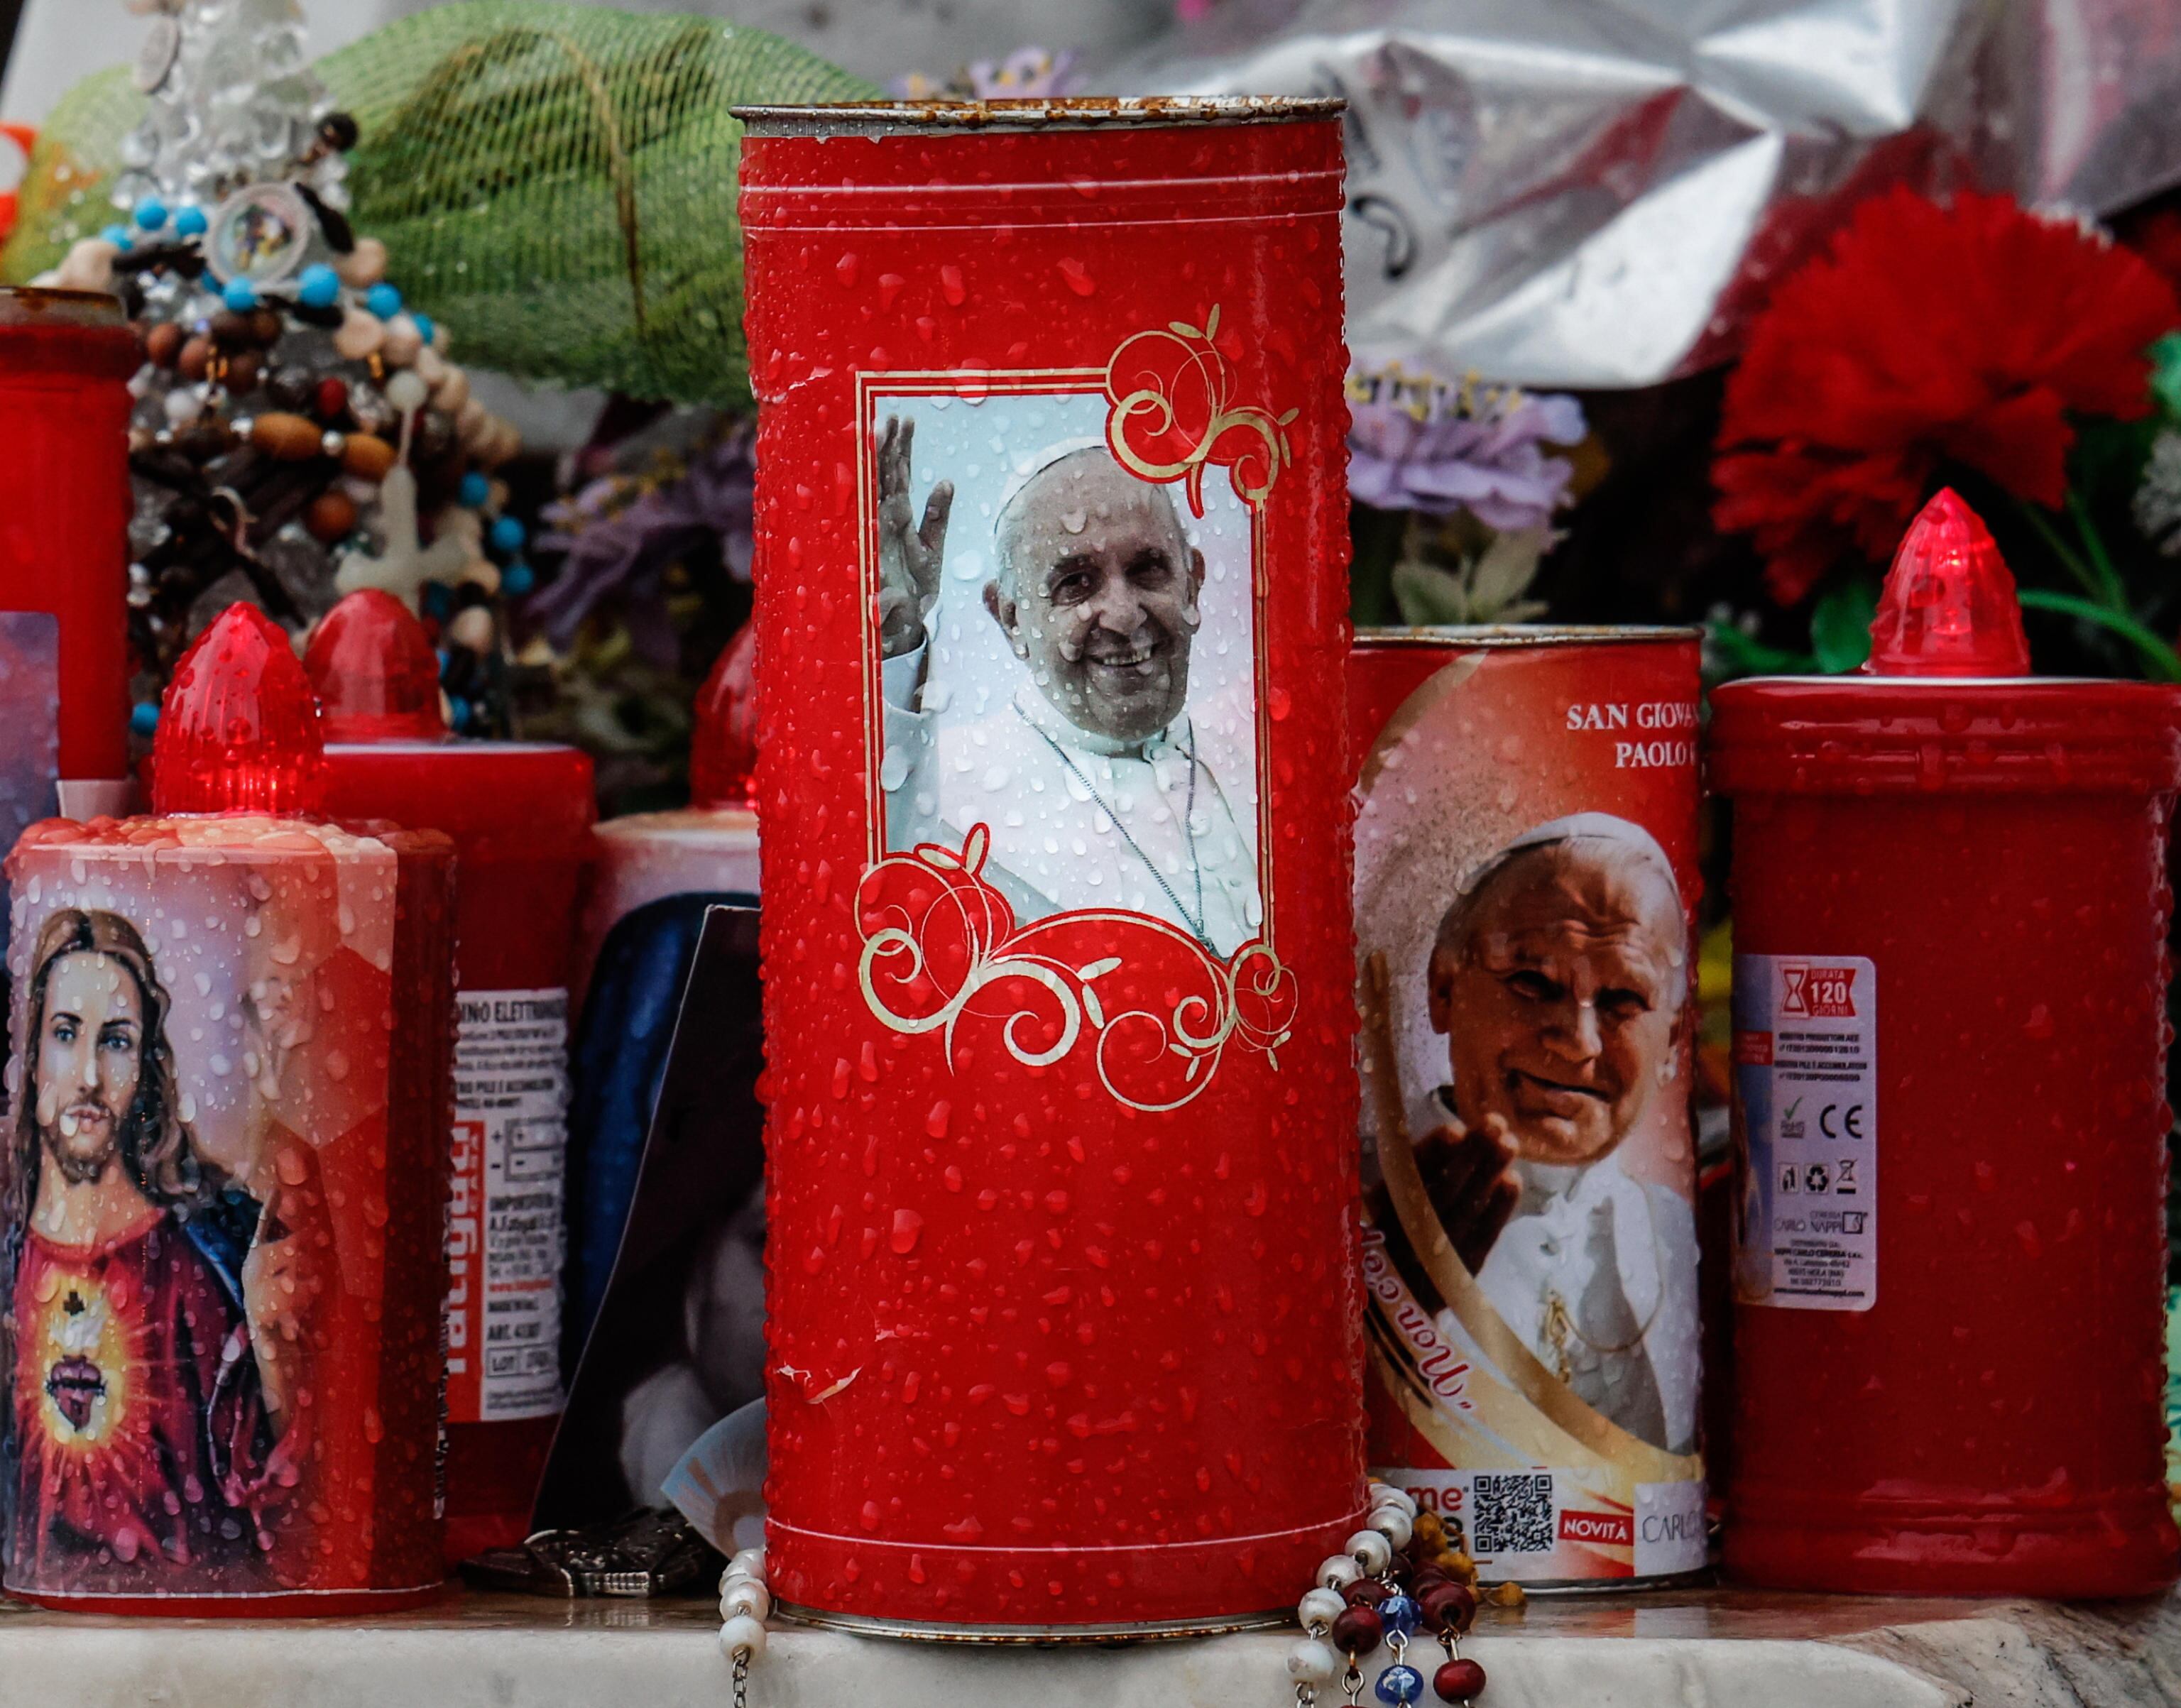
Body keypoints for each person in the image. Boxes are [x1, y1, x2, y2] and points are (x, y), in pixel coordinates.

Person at [875, 414, 1260, 956]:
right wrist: (897, 645)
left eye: (1149, 569)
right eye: (1075, 583)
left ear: (1193, 581)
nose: (1124, 616)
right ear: (1010, 619)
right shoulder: (947, 799)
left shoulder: (1263, 758)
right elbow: (883, 912)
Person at [4, 909, 299, 1583]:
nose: (87, 1076)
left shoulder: (206, 1267)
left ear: (145, 1068)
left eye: (115, 1041)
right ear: (33, 1054)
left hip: (180, 1658)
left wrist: (276, 1352)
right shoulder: (12, 1255)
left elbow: (277, 1508)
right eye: (65, 1034)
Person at [1407, 816, 1699, 1455]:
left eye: (1624, 998)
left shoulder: (1673, 1231)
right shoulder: (1364, 1197)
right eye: (1532, 984)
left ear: (1673, 1039)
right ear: (1444, 988)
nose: (1577, 1043)